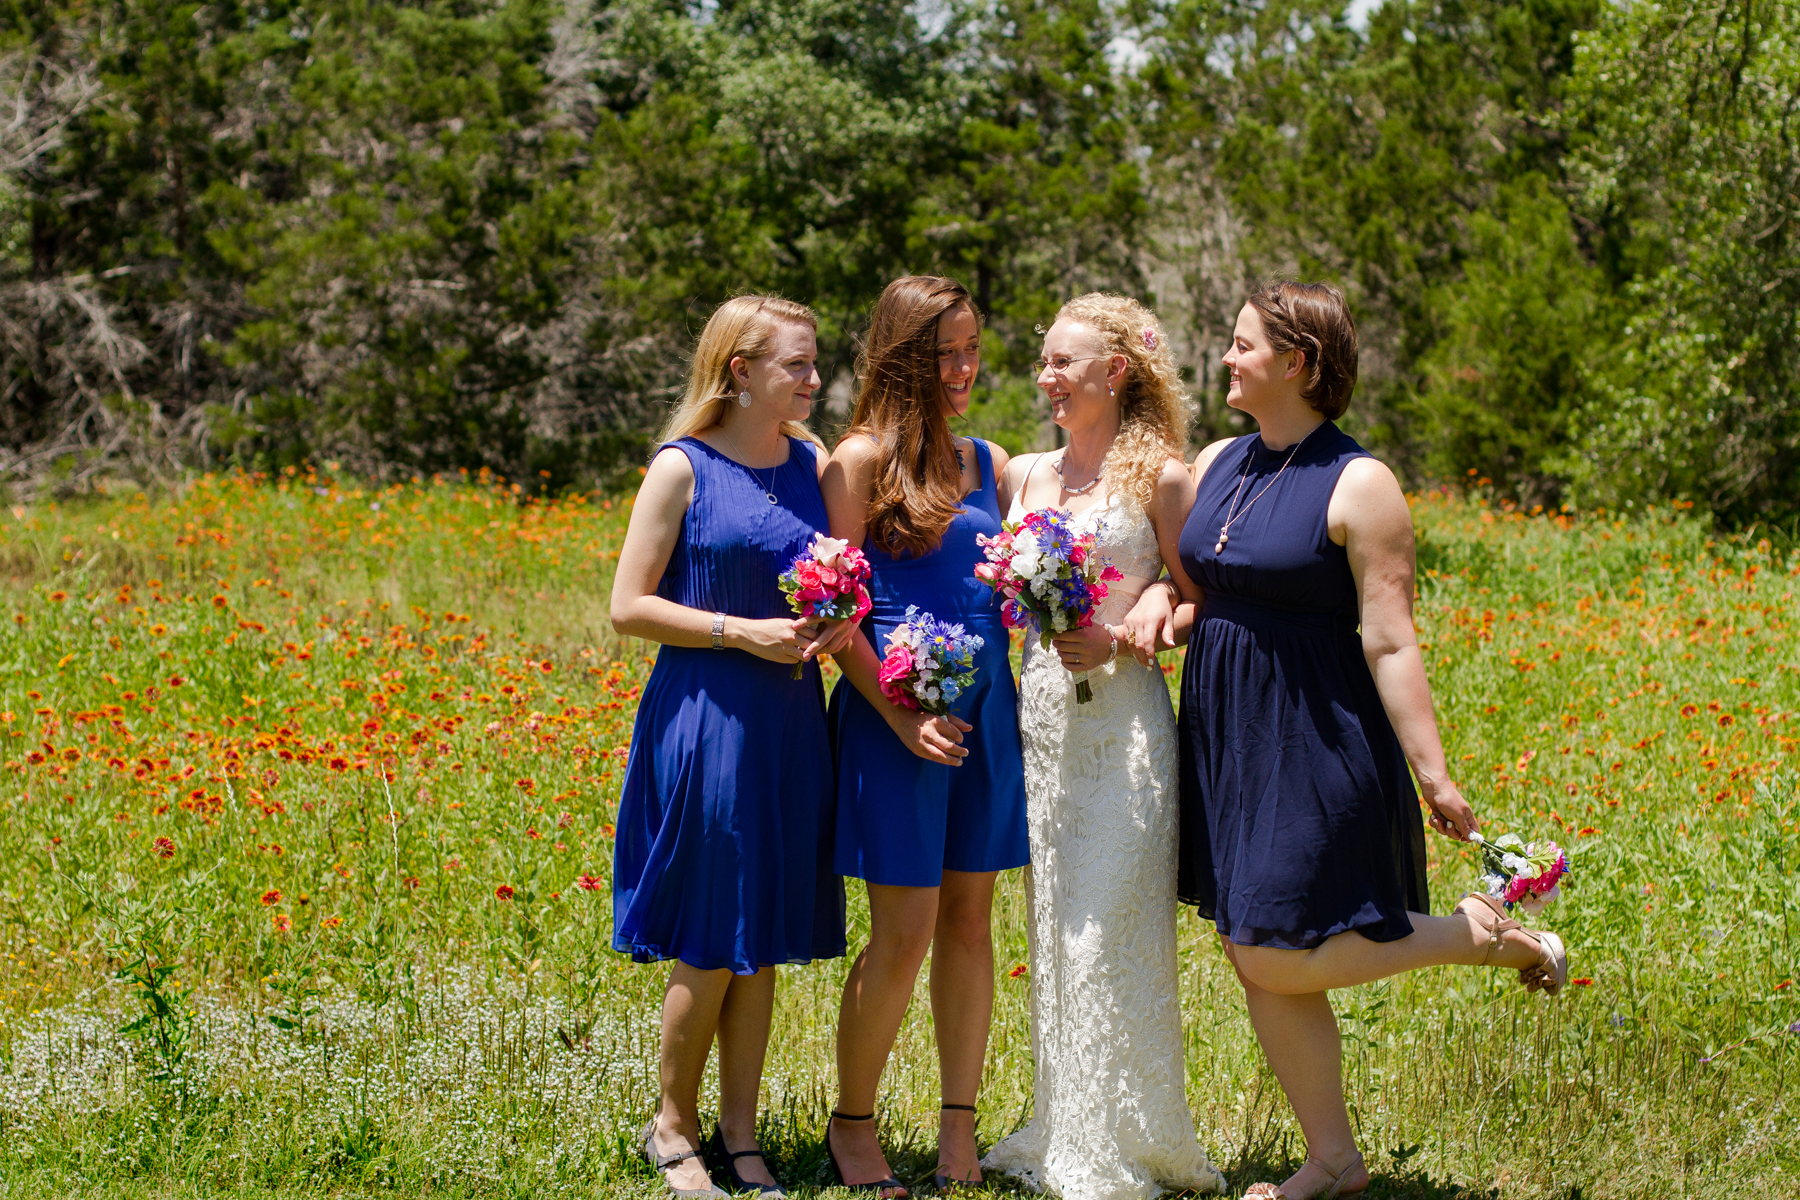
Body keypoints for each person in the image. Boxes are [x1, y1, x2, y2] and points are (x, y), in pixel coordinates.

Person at [1126, 282, 1571, 1200]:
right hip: (1226, 731)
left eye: (1244, 345)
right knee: (1254, 946)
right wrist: (1164, 602)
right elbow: (1200, 581)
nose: (1227, 358)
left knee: (1276, 949)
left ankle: (1484, 934)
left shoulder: (1361, 483)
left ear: (1297, 363)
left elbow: (1392, 639)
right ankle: (1333, 1159)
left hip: (1314, 731)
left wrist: (1433, 773)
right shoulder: (1218, 460)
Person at [980, 293, 1225, 1200]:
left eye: (1062, 362)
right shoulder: (1025, 475)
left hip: (1125, 730)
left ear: (1115, 372)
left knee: (1106, 935)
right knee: (1053, 931)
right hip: (1045, 725)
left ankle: (1122, 1148)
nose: (1045, 376)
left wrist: (1132, 626)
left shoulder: (1163, 478)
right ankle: (1066, 1127)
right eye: (1043, 360)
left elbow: (1202, 602)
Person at [610, 295, 855, 1199]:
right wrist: (737, 631)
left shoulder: (811, 463)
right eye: (797, 364)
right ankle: (672, 1129)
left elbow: (839, 579)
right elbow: (627, 606)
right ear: (740, 370)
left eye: (815, 361)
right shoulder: (682, 467)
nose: (815, 378)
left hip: (791, 717)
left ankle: (740, 1136)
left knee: (764, 934)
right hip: (709, 714)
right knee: (714, 932)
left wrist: (837, 622)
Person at [821, 275, 1029, 1196]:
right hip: (893, 716)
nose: (965, 368)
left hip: (985, 713)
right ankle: (853, 1125)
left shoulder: (988, 460)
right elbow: (837, 614)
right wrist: (901, 717)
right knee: (903, 932)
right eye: (945, 353)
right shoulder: (857, 462)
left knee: (971, 923)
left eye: (973, 349)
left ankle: (958, 1129)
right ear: (901, 357)